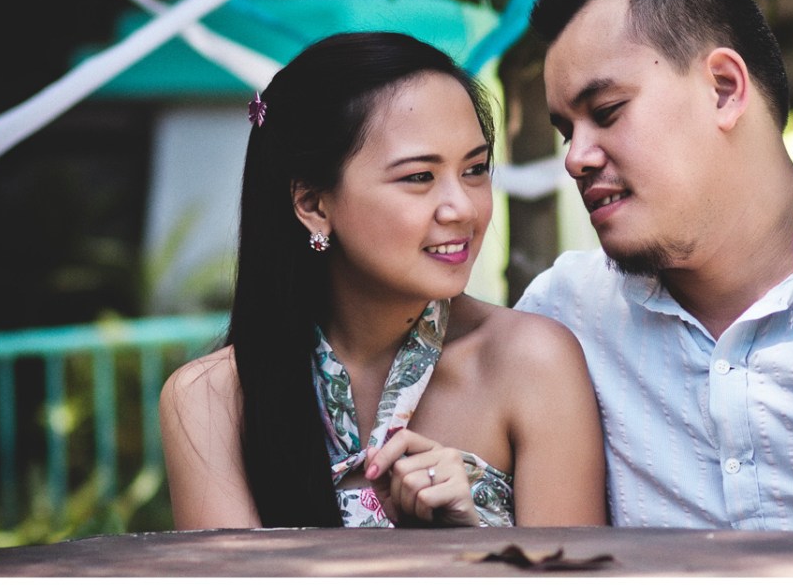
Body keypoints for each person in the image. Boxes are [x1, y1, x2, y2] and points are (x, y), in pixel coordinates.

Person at [517, 0, 793, 537]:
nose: (575, 157)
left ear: (723, 89)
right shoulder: (560, 317)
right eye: (566, 131)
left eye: (606, 112)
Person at [160, 32, 605, 529]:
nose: (462, 207)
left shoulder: (531, 363)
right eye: (419, 176)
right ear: (312, 204)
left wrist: (466, 538)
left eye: (475, 169)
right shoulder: (212, 399)